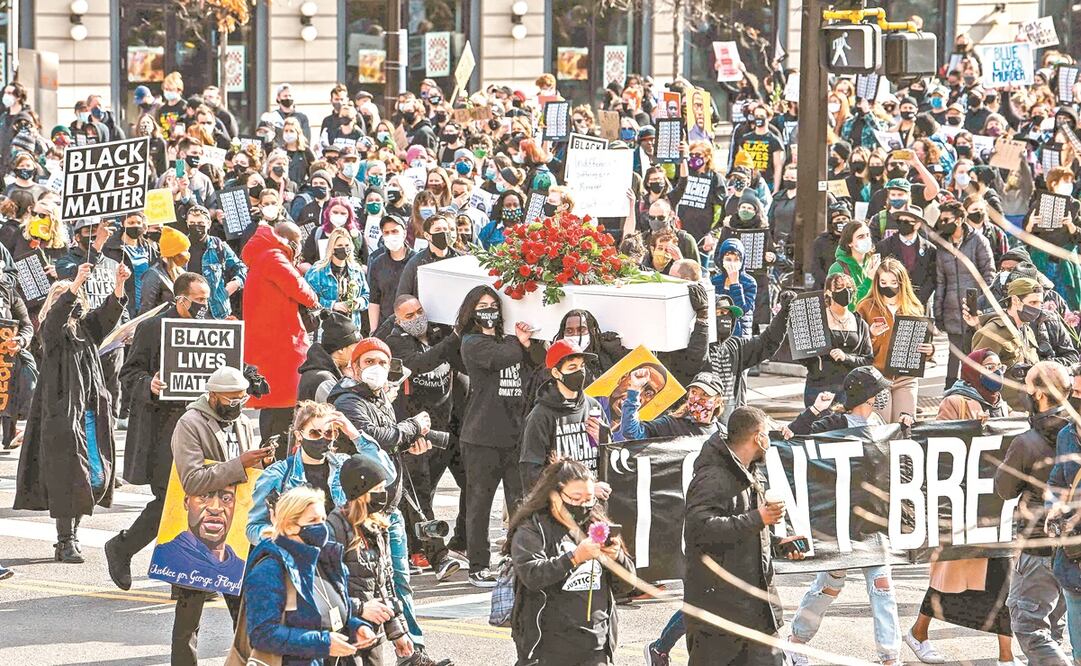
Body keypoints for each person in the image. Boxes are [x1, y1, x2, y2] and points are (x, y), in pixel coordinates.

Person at [327, 338, 454, 663]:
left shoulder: (380, 397)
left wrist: (409, 443)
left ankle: (413, 651)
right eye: (368, 362)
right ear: (354, 367)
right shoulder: (347, 400)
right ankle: (354, 650)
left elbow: (387, 446)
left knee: (399, 581)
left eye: (382, 362)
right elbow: (374, 437)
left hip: (389, 507)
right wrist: (413, 426)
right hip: (360, 511)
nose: (376, 368)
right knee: (363, 586)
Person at [783, 367, 902, 666]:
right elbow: (793, 436)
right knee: (830, 584)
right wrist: (814, 410)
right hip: (838, 522)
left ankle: (890, 658)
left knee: (882, 586)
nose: (882, 396)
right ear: (867, 396)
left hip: (871, 522)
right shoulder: (834, 423)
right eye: (878, 392)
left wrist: (907, 428)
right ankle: (796, 641)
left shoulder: (879, 423)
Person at [14, 261, 131, 563]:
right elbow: (56, 318)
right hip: (62, 416)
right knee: (68, 477)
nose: (72, 300)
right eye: (64, 297)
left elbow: (107, 316)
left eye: (77, 297)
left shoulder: (86, 330)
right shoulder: (50, 333)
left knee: (95, 477)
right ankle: (66, 540)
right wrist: (76, 282)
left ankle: (72, 535)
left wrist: (119, 284)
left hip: (89, 411)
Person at [905, 350, 1015, 665]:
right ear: (973, 371)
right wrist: (972, 429)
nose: (996, 372)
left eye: (999, 367)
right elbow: (941, 447)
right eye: (989, 367)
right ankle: (918, 632)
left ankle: (1006, 656)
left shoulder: (1003, 405)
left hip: (995, 507)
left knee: (1003, 580)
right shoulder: (955, 401)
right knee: (948, 582)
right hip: (965, 507)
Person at [107, 273, 212, 589]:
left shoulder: (209, 328)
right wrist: (149, 384)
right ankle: (127, 549)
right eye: (198, 301)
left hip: (200, 428)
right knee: (171, 499)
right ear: (181, 299)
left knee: (191, 499)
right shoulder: (153, 328)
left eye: (206, 301)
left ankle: (181, 580)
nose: (204, 307)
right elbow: (129, 373)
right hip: (163, 428)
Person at [157, 366, 269, 665]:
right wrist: (240, 464)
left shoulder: (242, 421)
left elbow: (245, 474)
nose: (237, 404)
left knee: (242, 610)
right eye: (231, 399)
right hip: (199, 529)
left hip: (234, 527)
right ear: (213, 395)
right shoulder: (190, 423)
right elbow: (192, 480)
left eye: (242, 398)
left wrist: (259, 463)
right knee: (189, 612)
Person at [684, 406, 806, 665]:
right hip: (719, 615)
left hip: (757, 610)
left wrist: (778, 544)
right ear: (757, 437)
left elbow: (745, 531)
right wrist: (758, 518)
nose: (770, 441)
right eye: (767, 434)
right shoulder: (712, 476)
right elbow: (700, 529)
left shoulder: (749, 471)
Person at [507, 459, 636, 666]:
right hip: (549, 649)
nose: (583, 506)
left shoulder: (596, 524)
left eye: (589, 499)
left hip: (596, 646)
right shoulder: (532, 528)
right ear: (554, 495)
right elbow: (531, 575)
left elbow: (627, 585)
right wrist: (574, 558)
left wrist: (617, 558)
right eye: (576, 499)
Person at [243, 485, 376, 666]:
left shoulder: (326, 560)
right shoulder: (269, 569)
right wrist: (323, 644)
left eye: (323, 519)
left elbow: (331, 616)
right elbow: (262, 634)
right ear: (289, 526)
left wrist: (356, 628)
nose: (322, 526)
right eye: (313, 520)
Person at [995, 361, 1073, 665]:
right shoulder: (1074, 431)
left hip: (1039, 545)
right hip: (1070, 545)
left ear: (1039, 394)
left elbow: (1004, 488)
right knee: (1054, 626)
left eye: (1027, 384)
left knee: (1029, 626)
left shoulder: (1026, 443)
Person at [457, 285, 534, 586]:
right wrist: (520, 341)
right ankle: (478, 565)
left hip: (514, 436)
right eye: (482, 306)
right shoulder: (472, 343)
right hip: (481, 437)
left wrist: (522, 341)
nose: (489, 311)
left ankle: (519, 557)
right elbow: (503, 357)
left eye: (493, 305)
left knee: (520, 502)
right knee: (479, 504)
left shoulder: (508, 340)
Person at [386, 294, 469, 570]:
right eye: (409, 316)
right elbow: (421, 364)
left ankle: (454, 542)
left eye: (420, 312)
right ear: (398, 320)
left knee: (467, 483)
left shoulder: (437, 333)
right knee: (420, 493)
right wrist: (453, 338)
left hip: (447, 427)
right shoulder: (397, 341)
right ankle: (431, 554)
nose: (417, 319)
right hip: (416, 431)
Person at [327, 453, 420, 666]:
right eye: (377, 489)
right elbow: (324, 589)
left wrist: (397, 630)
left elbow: (385, 584)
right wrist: (360, 609)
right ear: (360, 492)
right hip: (344, 634)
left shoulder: (377, 526)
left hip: (373, 633)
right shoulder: (334, 528)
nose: (383, 494)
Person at [241, 220, 320, 448]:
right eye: (298, 241)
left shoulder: (262, 255)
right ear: (289, 241)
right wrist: (314, 299)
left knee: (274, 407)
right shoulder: (274, 257)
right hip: (282, 344)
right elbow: (304, 292)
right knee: (282, 411)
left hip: (270, 342)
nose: (300, 247)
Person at [520, 339, 610, 490]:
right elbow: (531, 474)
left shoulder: (593, 407)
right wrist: (584, 488)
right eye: (572, 367)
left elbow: (612, 459)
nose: (580, 372)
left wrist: (604, 440)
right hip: (560, 502)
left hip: (595, 500)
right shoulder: (540, 416)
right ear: (556, 373)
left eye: (582, 366)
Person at [856, 258, 934, 424]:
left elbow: (921, 344)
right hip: (877, 377)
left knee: (905, 426)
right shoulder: (865, 307)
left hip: (906, 377)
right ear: (877, 283)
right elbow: (855, 347)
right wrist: (870, 334)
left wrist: (929, 351)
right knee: (881, 427)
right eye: (883, 282)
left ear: (901, 282)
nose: (889, 286)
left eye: (893, 282)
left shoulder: (914, 308)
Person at [933, 199, 994, 388]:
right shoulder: (942, 246)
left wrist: (983, 305)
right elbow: (940, 282)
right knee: (954, 354)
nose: (942, 223)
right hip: (951, 308)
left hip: (975, 309)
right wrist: (938, 312)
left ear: (959, 220)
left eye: (946, 220)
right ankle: (950, 389)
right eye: (941, 220)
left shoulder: (978, 241)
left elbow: (989, 274)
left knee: (974, 353)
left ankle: (973, 387)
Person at [800, 272, 873, 406]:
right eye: (840, 288)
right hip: (819, 387)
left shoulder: (860, 323)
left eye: (849, 288)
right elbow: (804, 358)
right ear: (829, 292)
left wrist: (846, 357)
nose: (846, 292)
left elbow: (868, 359)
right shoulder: (817, 320)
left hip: (850, 389)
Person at [970, 277, 1043, 406]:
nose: (1038, 308)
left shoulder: (1027, 330)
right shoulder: (992, 332)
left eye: (1040, 303)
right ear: (1015, 300)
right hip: (1006, 409)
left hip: (1028, 406)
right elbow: (976, 378)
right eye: (1033, 302)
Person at [621, 371, 725, 441]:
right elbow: (632, 432)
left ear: (717, 402)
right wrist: (634, 391)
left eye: (705, 394)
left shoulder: (723, 434)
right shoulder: (670, 424)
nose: (697, 398)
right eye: (694, 392)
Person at [182, 205, 246, 319]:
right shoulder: (181, 246)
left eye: (200, 223)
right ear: (187, 223)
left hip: (216, 311)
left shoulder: (219, 246)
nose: (196, 226)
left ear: (209, 224)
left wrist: (235, 283)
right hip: (188, 310)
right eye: (192, 223)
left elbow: (241, 268)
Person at [299, 311, 362, 403]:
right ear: (341, 349)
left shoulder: (326, 370)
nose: (357, 353)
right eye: (355, 348)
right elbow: (346, 408)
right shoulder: (323, 379)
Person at [827, 221, 881, 309]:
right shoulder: (838, 268)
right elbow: (847, 305)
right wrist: (869, 279)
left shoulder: (873, 262)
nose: (866, 240)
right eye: (861, 237)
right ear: (849, 243)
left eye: (867, 235)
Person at [139, 226, 191, 314]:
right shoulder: (153, 275)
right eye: (185, 250)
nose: (187, 254)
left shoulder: (181, 272)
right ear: (174, 252)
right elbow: (146, 309)